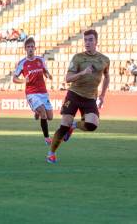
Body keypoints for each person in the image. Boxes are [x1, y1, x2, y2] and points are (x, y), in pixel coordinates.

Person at [47, 29, 110, 164]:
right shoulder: (78, 58)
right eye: (85, 40)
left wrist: (103, 95)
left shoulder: (104, 60)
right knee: (64, 126)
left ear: (96, 41)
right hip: (74, 95)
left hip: (90, 97)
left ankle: (74, 126)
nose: (87, 43)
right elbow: (68, 78)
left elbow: (107, 77)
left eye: (90, 40)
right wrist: (82, 73)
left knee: (92, 125)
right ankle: (51, 153)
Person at [13, 37, 54, 145]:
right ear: (25, 49)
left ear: (35, 48)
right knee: (43, 113)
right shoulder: (22, 63)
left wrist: (48, 75)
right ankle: (47, 138)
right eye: (28, 47)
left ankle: (37, 112)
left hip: (43, 92)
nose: (30, 49)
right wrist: (23, 80)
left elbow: (45, 71)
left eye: (32, 47)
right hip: (31, 93)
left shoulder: (41, 60)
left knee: (50, 117)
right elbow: (14, 78)